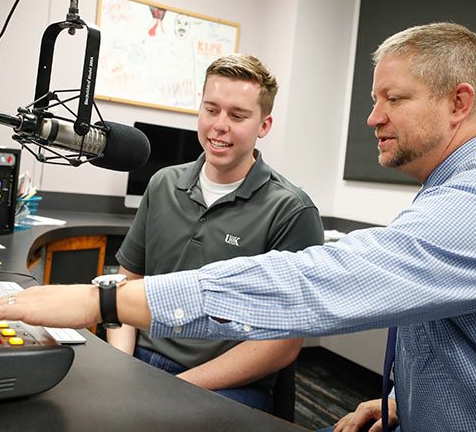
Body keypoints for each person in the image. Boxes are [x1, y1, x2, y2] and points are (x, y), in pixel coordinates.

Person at [0, 23, 476, 431]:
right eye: (372, 99)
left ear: (458, 103)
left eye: (394, 99)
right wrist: (406, 404)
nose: (372, 118)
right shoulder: (470, 192)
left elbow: (306, 286)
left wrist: (99, 298)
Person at [107, 53, 324, 412]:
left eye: (237, 116)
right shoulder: (163, 184)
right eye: (211, 110)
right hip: (138, 358)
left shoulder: (291, 210)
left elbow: (282, 345)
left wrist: (172, 389)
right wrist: (119, 367)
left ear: (264, 125)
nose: (219, 125)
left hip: (223, 381)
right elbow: (125, 286)